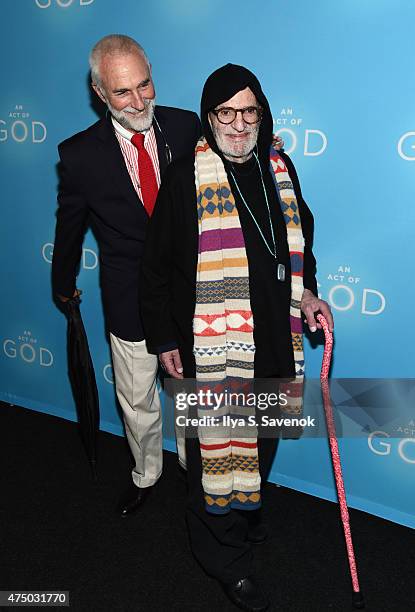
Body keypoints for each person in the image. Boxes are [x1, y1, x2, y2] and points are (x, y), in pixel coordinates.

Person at [141, 63, 333, 611]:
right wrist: (164, 340)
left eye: (249, 110)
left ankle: (245, 515)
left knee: (262, 437)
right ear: (210, 117)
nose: (238, 123)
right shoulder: (185, 178)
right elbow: (154, 271)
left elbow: (303, 247)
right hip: (211, 345)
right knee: (212, 457)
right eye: (226, 112)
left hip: (275, 334)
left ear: (262, 113)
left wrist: (311, 295)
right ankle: (222, 558)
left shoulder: (281, 167)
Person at [51, 35, 201, 517]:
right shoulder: (78, 155)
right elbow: (69, 225)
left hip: (189, 293)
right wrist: (62, 283)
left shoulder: (185, 127)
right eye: (122, 93)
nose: (139, 101)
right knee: (137, 399)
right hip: (128, 296)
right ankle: (146, 473)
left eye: (145, 84)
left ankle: (194, 468)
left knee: (191, 393)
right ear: (99, 92)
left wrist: (264, 147)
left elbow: (230, 169)